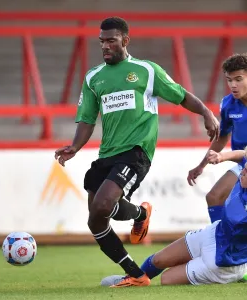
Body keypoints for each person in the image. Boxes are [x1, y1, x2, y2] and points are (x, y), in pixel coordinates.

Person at [55, 16, 219, 287]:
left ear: (125, 40)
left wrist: (205, 111)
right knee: (96, 220)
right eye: (101, 41)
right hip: (107, 153)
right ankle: (137, 271)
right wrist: (75, 146)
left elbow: (180, 94)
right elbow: (86, 118)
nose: (105, 46)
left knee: (104, 204)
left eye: (111, 40)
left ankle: (139, 226)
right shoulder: (94, 77)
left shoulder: (146, 70)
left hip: (137, 151)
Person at [101, 147, 247, 287]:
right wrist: (221, 157)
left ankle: (236, 274)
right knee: (157, 260)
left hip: (223, 262)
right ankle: (134, 278)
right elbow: (244, 154)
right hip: (214, 234)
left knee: (167, 278)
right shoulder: (243, 177)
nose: (242, 171)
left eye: (246, 171)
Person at [187, 53, 247, 224]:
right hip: (243, 163)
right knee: (214, 197)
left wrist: (223, 157)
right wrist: (201, 165)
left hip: (243, 159)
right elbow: (222, 138)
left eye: (238, 79)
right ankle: (220, 244)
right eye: (229, 80)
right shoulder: (228, 104)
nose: (233, 85)